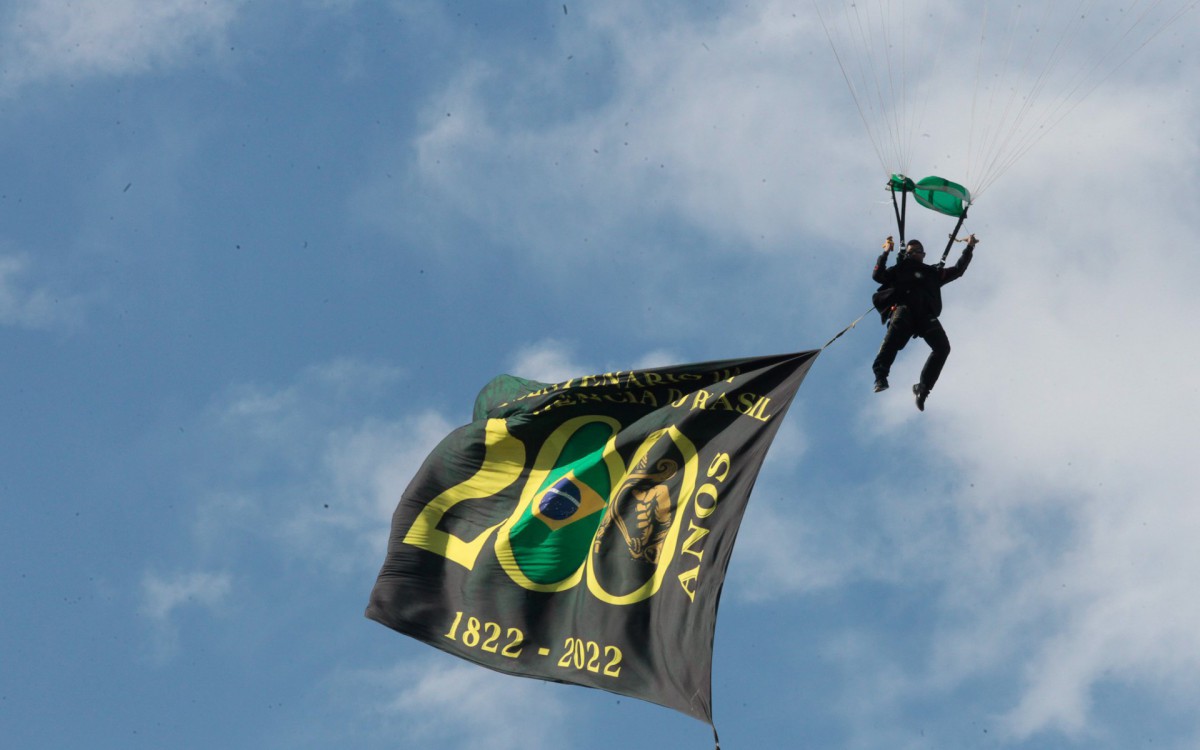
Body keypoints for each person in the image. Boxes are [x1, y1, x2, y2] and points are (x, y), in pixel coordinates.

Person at [871, 233, 977, 410]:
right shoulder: (900, 268)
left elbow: (958, 270)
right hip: (904, 309)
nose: (913, 253)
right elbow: (877, 276)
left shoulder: (933, 273)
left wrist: (969, 247)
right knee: (894, 335)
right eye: (910, 251)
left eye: (917, 251)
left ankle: (923, 388)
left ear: (923, 254)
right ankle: (880, 375)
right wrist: (886, 253)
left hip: (925, 316)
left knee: (943, 348)